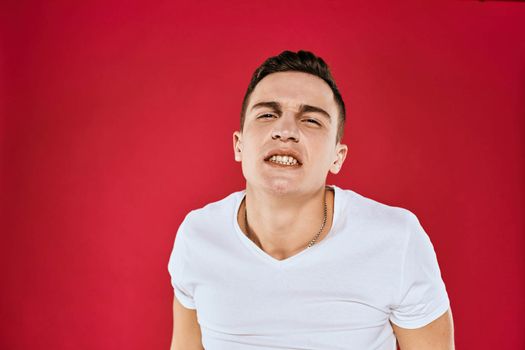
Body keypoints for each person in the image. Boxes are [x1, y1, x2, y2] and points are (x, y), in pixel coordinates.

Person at [167, 50, 454, 350]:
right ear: (239, 145)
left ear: (337, 157)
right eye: (267, 114)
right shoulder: (197, 236)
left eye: (311, 120)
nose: (286, 131)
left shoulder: (396, 239)